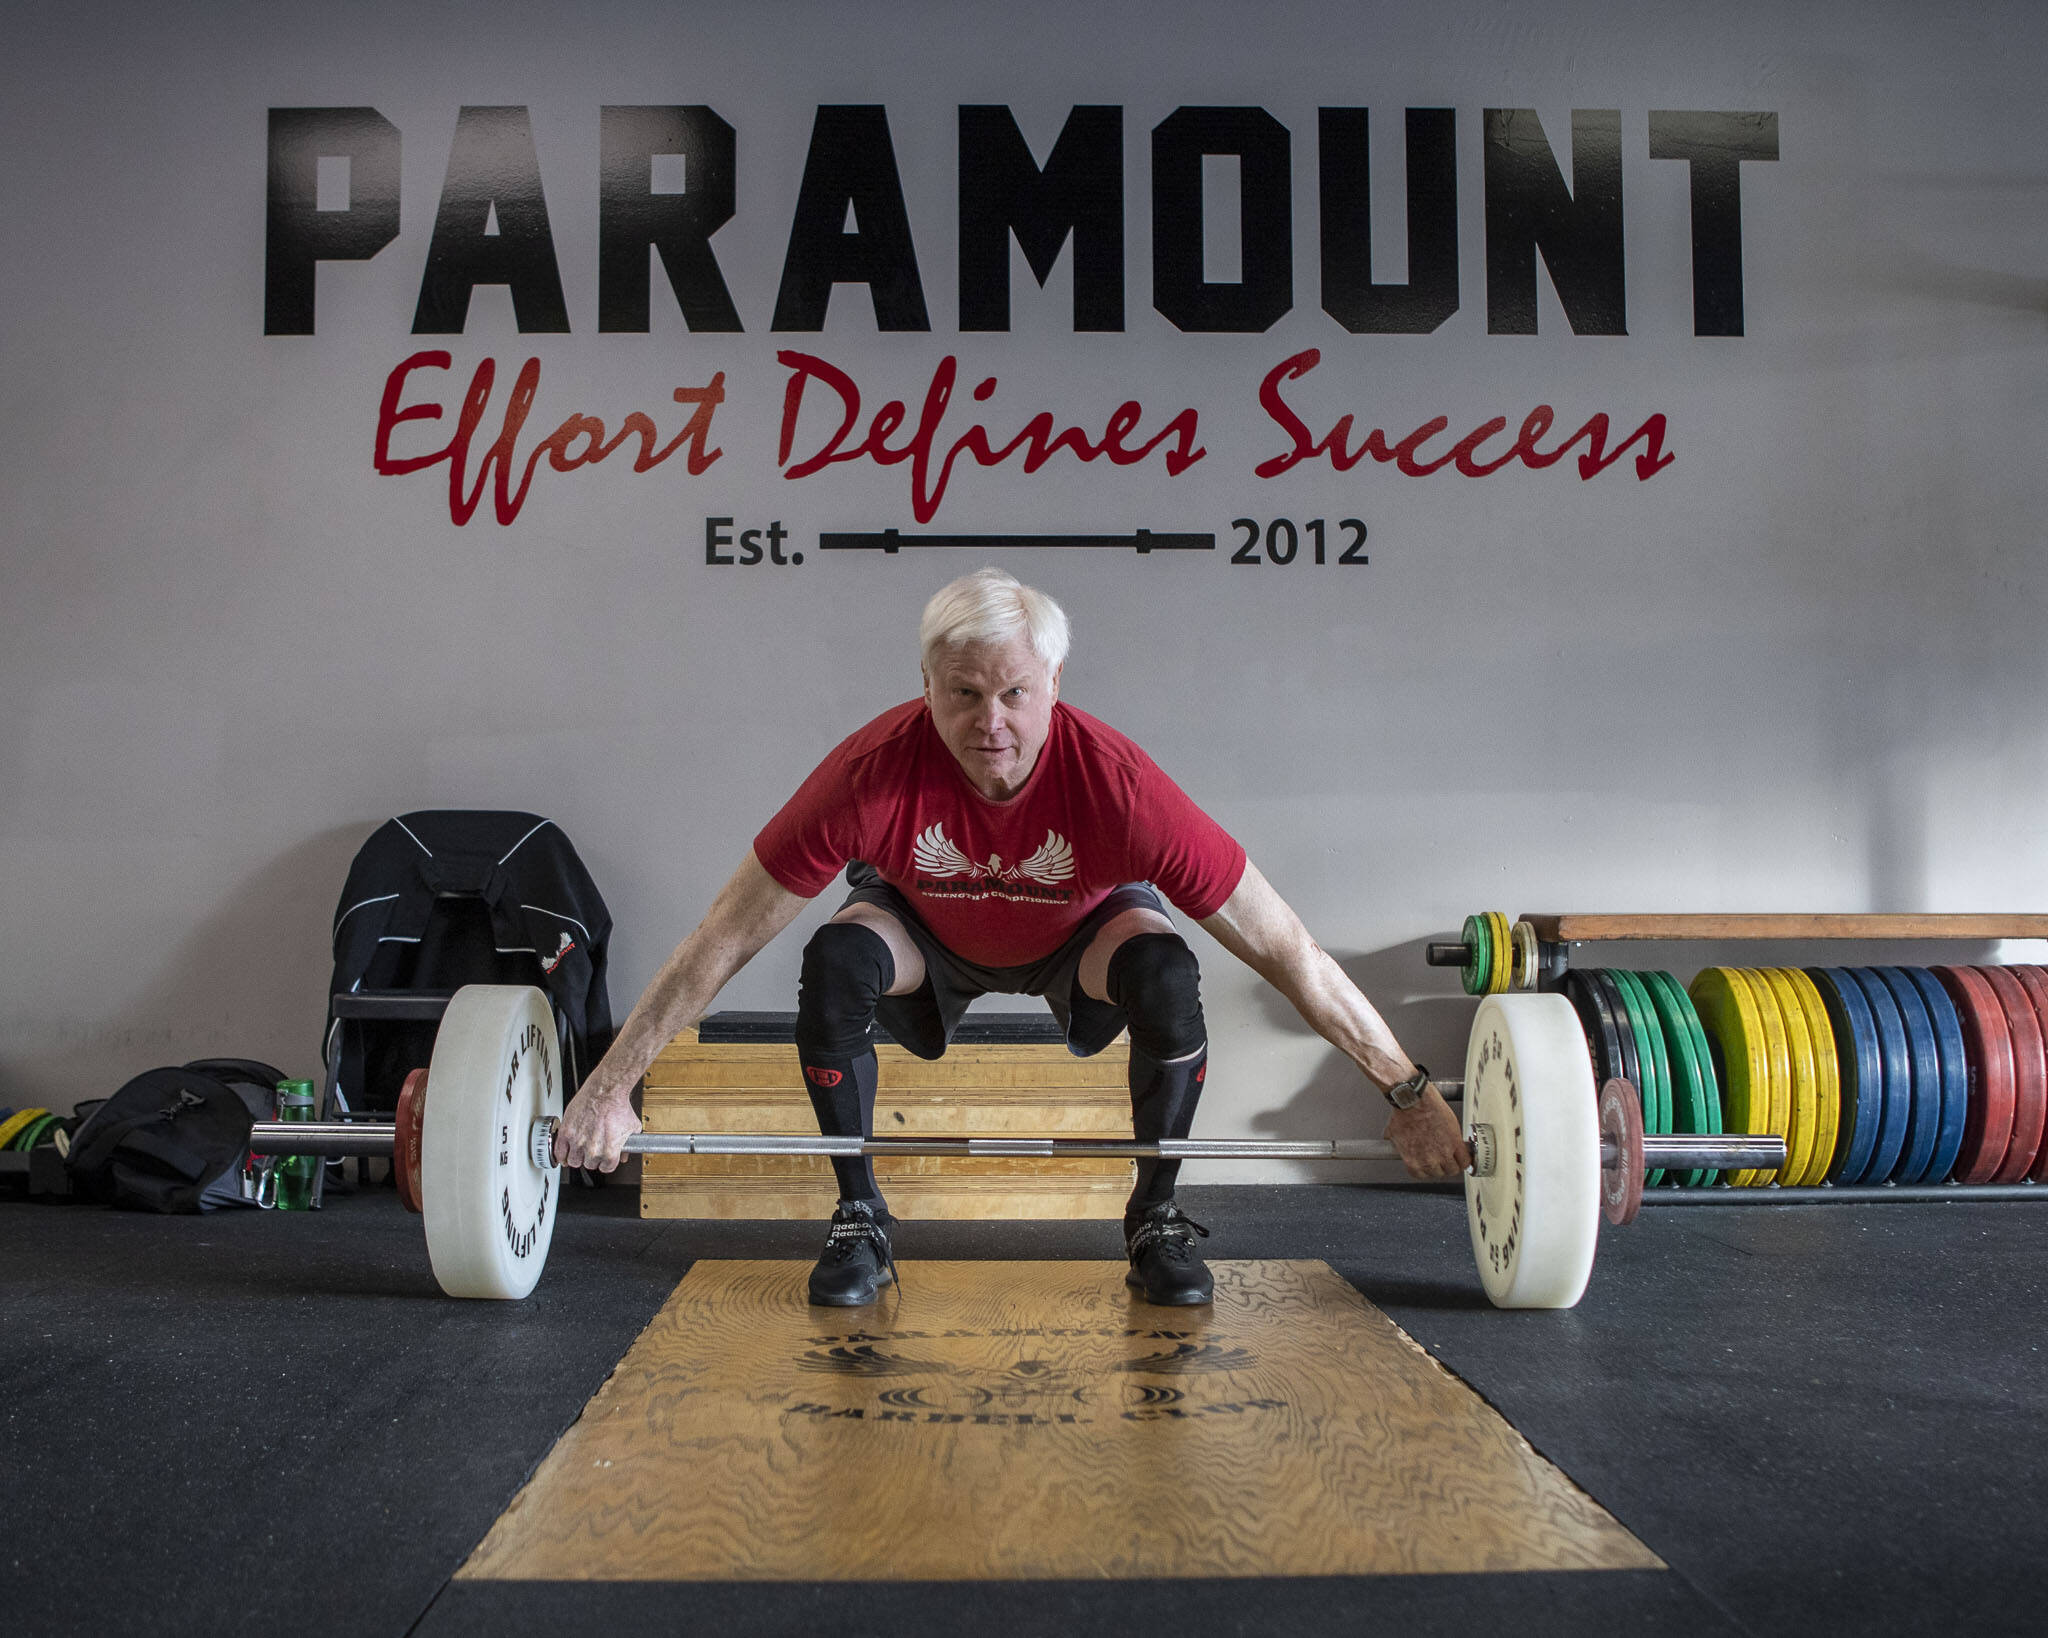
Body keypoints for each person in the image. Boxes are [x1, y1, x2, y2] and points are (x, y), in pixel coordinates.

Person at [555, 568, 1468, 1305]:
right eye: (962, 693)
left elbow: (1286, 949)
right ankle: (860, 1217)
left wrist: (1408, 1090)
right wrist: (608, 1088)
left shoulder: (1118, 785)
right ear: (925, 686)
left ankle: (1155, 1216)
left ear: (1054, 686)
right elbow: (725, 935)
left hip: (1084, 933)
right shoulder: (870, 775)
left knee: (1163, 971)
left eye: (1014, 693)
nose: (989, 721)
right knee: (835, 957)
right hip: (923, 928)